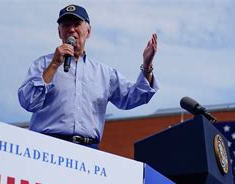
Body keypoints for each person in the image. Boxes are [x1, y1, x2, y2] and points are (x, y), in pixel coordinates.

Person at [18, 4, 159, 148]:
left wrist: (147, 66)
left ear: (88, 31)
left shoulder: (104, 73)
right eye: (66, 25)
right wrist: (54, 65)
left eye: (77, 24)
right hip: (48, 147)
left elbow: (136, 96)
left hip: (88, 152)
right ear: (60, 32)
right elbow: (28, 102)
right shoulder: (43, 64)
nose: (71, 29)